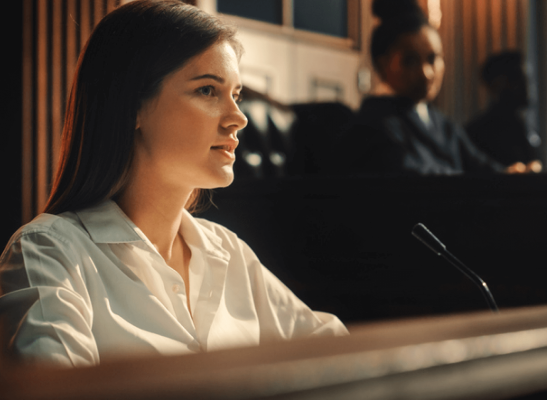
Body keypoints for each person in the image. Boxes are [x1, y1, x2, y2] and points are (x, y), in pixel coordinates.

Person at [0, 0, 347, 368]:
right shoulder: (47, 254)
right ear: (132, 107)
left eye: (237, 95)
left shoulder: (228, 254)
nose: (238, 118)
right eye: (208, 91)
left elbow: (336, 352)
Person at [343, 0, 515, 175]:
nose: (427, 73)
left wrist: (513, 173)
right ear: (383, 63)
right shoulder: (373, 125)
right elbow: (415, 177)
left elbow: (482, 167)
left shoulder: (443, 124)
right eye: (410, 60)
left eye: (433, 59)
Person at [465, 51, 542, 172]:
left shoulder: (525, 128)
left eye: (529, 78)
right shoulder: (476, 134)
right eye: (519, 78)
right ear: (497, 84)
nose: (528, 85)